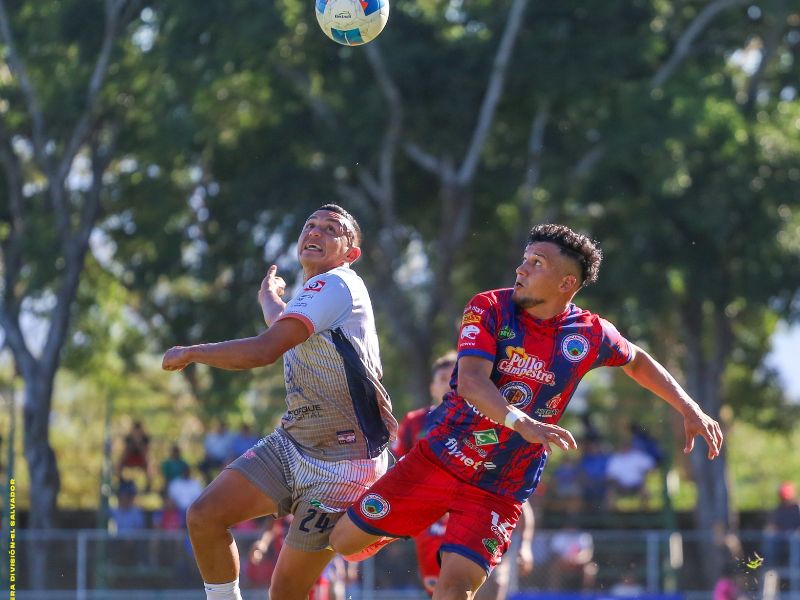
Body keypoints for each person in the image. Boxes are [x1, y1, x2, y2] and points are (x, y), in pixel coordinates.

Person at [330, 223, 723, 600]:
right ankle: (397, 525)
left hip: (500, 486)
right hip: (440, 460)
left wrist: (689, 407)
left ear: (567, 283)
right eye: (524, 259)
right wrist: (523, 422)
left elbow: (637, 361)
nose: (521, 268)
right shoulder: (489, 307)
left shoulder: (590, 333)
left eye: (536, 263)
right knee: (342, 542)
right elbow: (470, 381)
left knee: (455, 589)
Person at [162, 204, 397, 600]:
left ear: (350, 253)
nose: (316, 232)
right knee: (205, 516)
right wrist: (269, 299)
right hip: (292, 445)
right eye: (310, 225)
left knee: (285, 593)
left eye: (332, 229)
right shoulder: (315, 294)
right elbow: (284, 327)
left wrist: (191, 352)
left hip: (344, 467)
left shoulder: (339, 283)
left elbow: (265, 350)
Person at [393, 351, 533, 598]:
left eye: (453, 376)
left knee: (491, 585)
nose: (449, 382)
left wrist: (526, 545)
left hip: (480, 513)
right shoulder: (415, 423)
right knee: (443, 589)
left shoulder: (490, 421)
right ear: (432, 387)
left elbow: (514, 490)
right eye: (443, 378)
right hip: (431, 522)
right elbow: (395, 469)